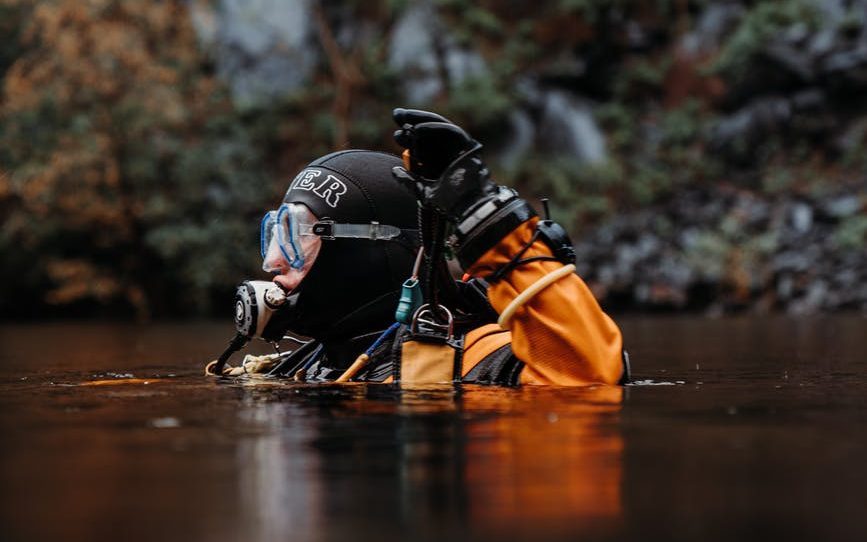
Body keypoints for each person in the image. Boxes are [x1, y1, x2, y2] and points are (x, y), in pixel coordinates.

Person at [226, 109, 628, 386]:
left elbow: (589, 377)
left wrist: (488, 220)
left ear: (368, 254)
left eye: (297, 236)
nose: (273, 261)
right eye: (276, 234)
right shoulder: (306, 362)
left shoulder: (474, 360)